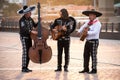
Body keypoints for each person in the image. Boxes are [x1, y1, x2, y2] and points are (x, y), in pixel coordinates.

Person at [77, 9, 102, 74]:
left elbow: (95, 32)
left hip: (94, 41)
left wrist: (87, 32)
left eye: (90, 15)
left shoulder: (98, 23)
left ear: (94, 16)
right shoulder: (88, 22)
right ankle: (86, 68)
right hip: (87, 41)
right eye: (89, 15)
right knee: (85, 55)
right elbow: (83, 26)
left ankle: (94, 69)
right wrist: (79, 31)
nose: (89, 16)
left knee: (93, 56)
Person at [17, 5, 38, 72]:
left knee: (29, 52)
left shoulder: (30, 19)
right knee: (25, 52)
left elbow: (34, 25)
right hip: (24, 37)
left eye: (30, 12)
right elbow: (24, 29)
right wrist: (31, 31)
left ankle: (26, 67)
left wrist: (39, 21)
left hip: (29, 37)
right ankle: (23, 67)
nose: (30, 13)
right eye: (29, 12)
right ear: (26, 13)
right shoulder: (22, 20)